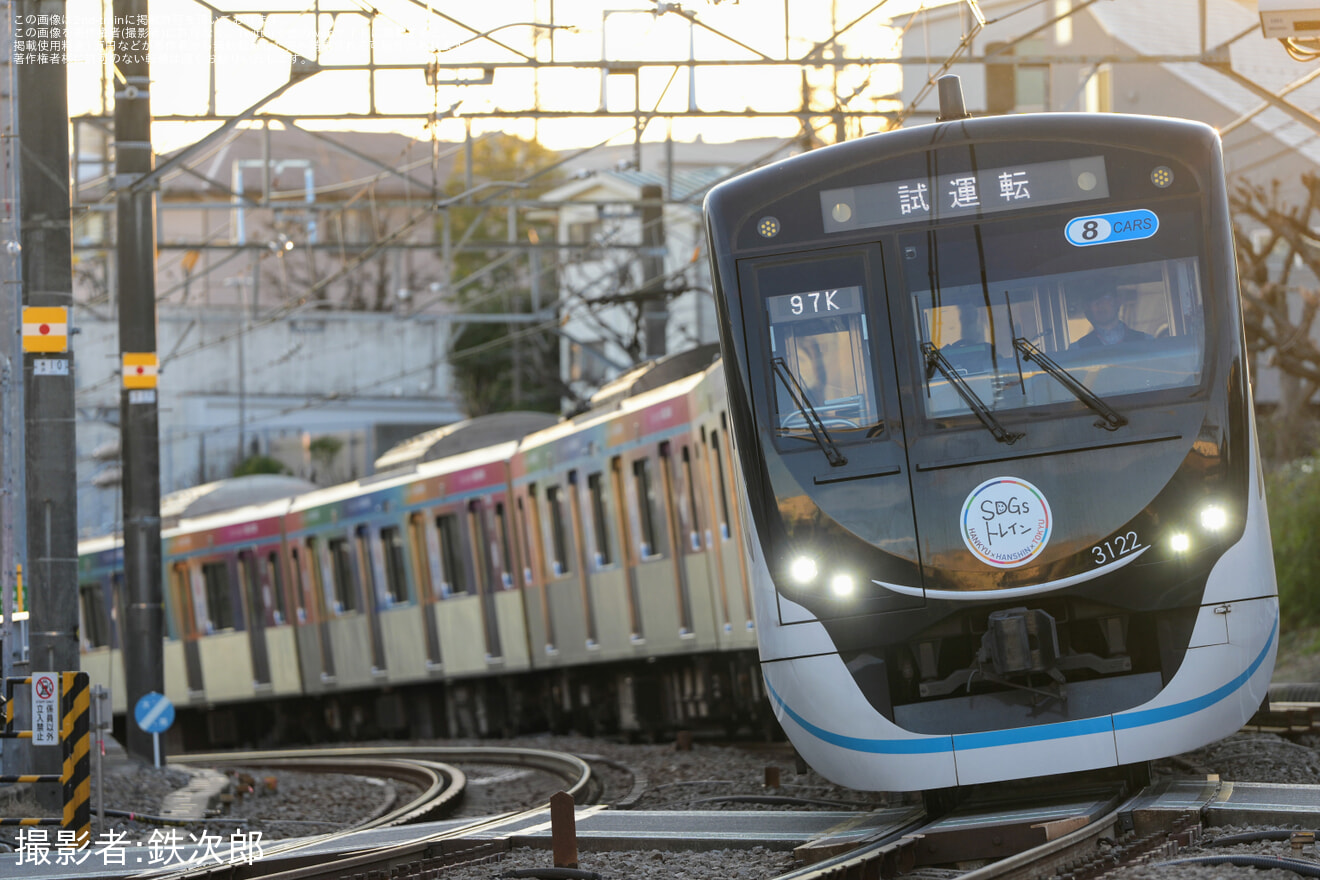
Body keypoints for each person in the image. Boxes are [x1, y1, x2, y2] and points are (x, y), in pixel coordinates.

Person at [1076, 287, 1151, 347]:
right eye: (1094, 301)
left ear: (1117, 302)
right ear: (1089, 308)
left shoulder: (1147, 341)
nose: (1100, 305)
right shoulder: (1077, 348)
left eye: (1106, 299)